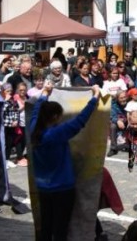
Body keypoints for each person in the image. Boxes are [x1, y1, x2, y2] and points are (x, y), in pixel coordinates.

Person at [30, 82, 101, 241]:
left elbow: (36, 111)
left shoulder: (34, 129)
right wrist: (95, 97)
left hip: (43, 188)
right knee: (60, 229)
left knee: (46, 226)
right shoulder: (56, 133)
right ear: (55, 117)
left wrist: (44, 94)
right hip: (62, 189)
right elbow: (80, 120)